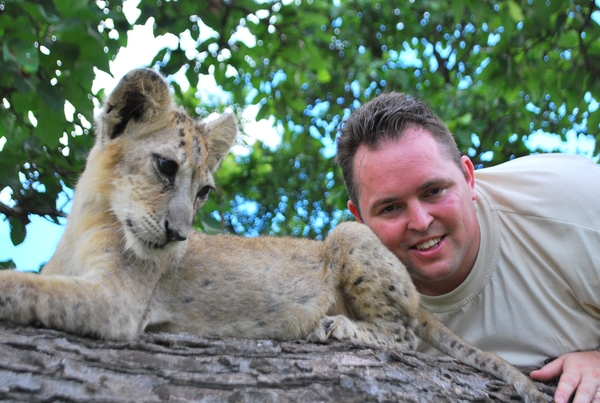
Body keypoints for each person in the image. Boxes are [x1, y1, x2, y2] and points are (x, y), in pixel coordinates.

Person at [336, 92, 600, 403]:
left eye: (434, 191)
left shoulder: (575, 207)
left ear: (468, 177)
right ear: (360, 219)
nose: (420, 222)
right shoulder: (348, 307)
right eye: (391, 208)